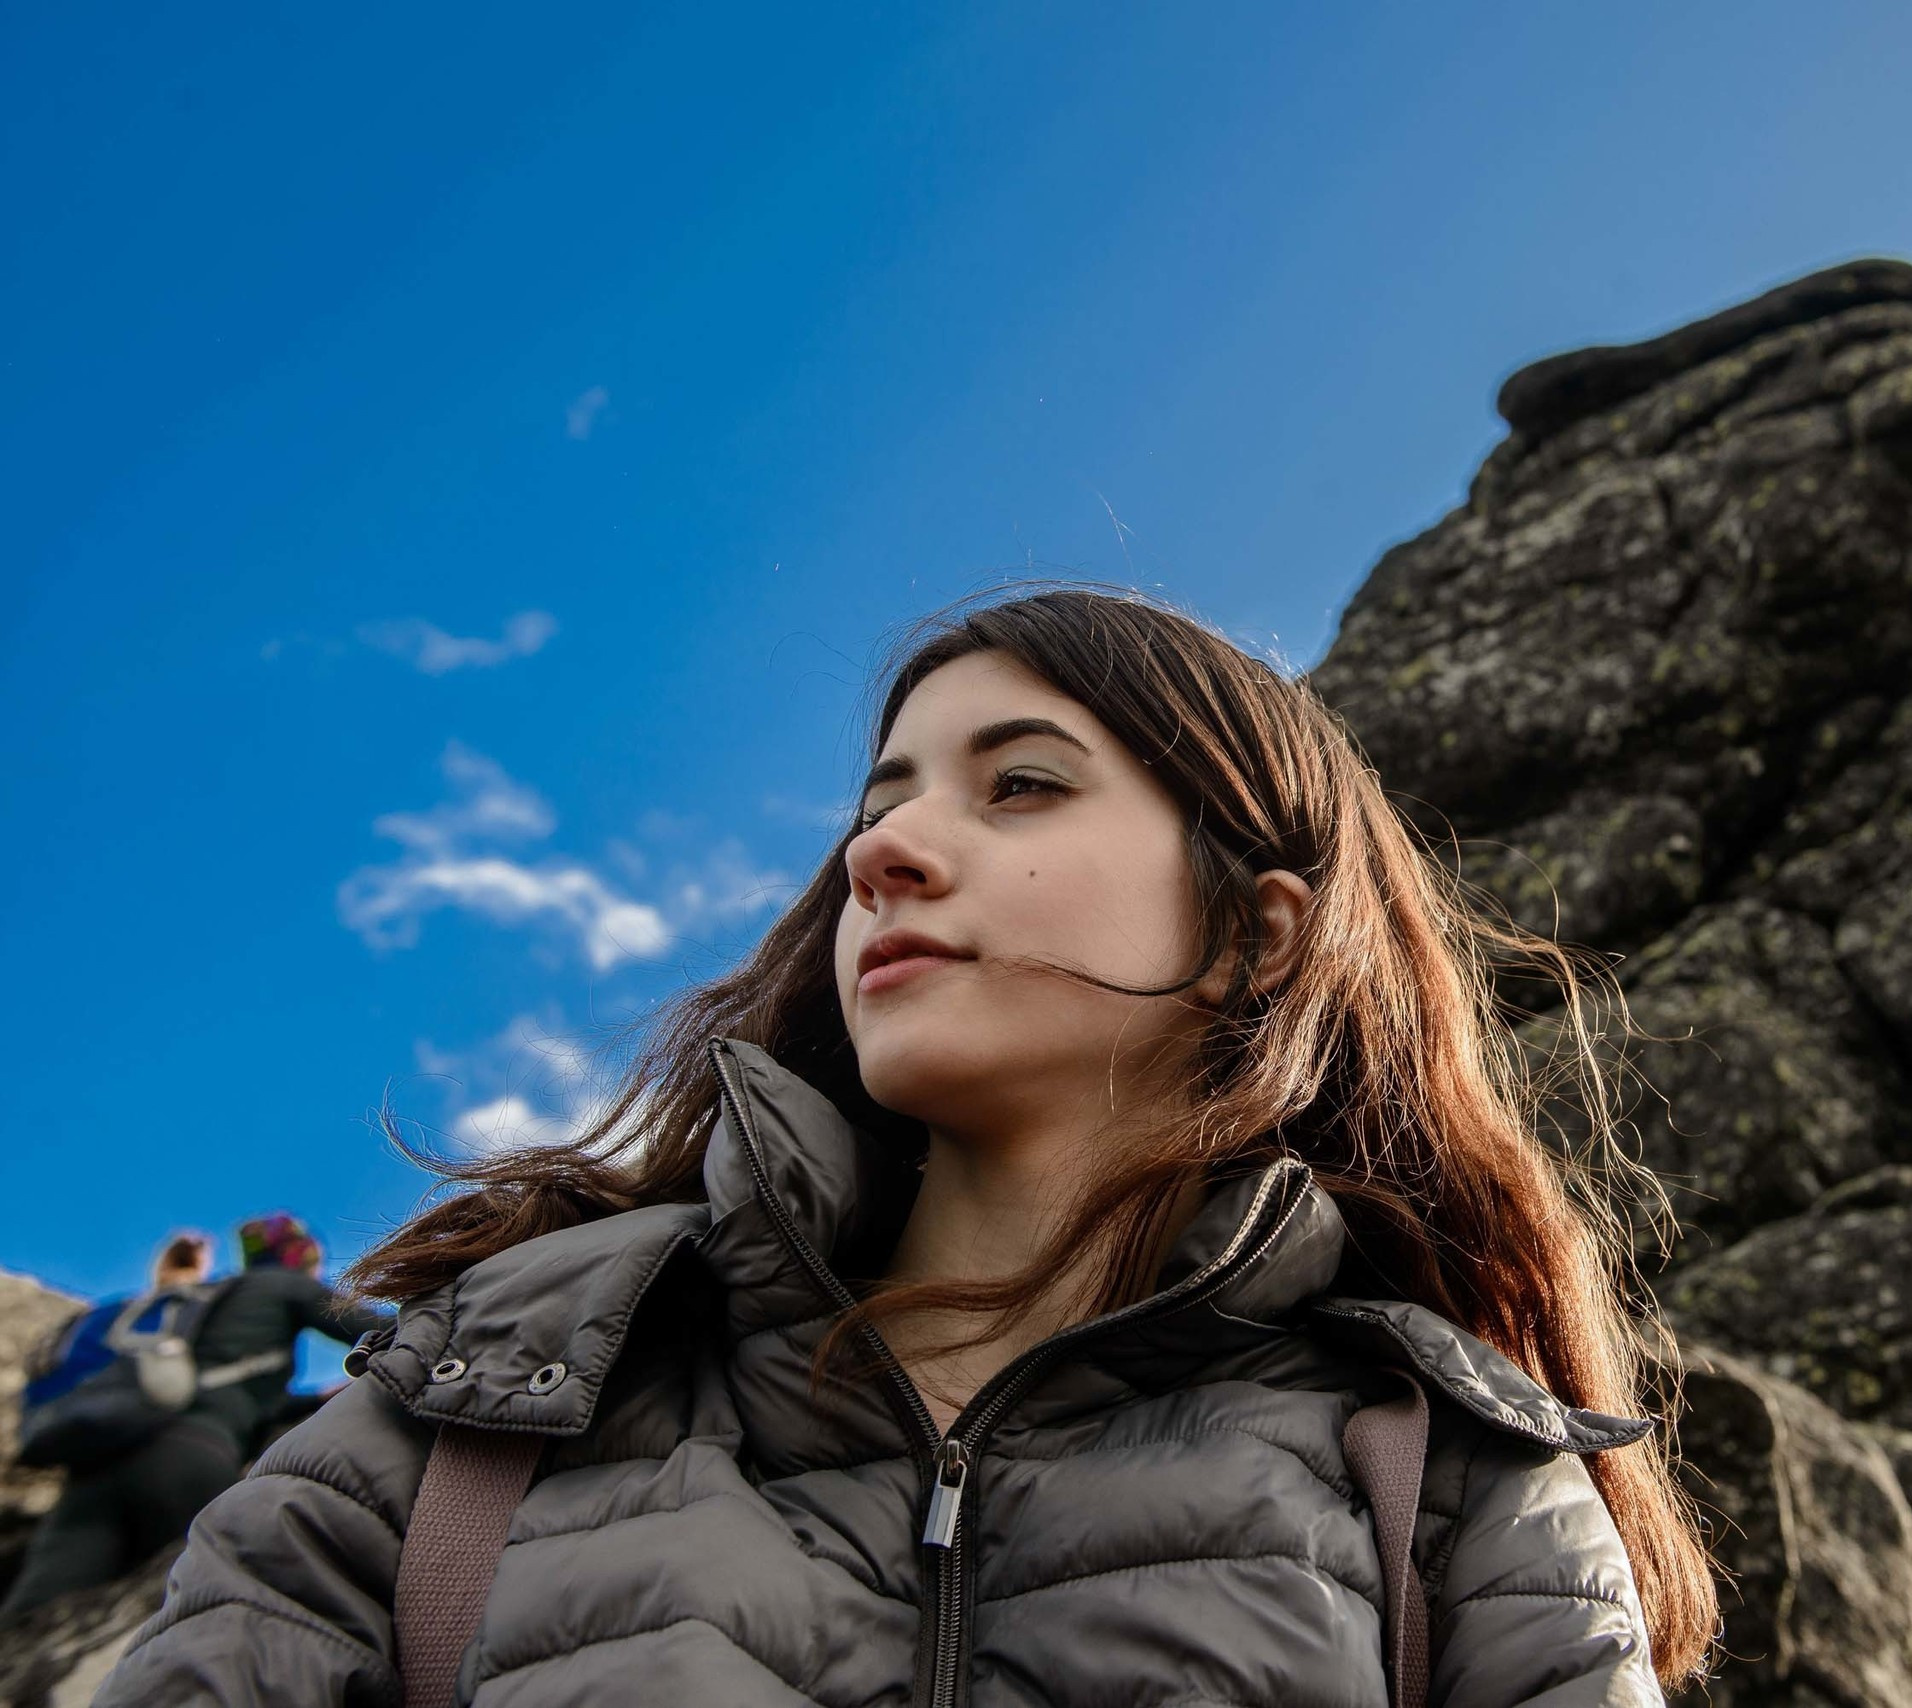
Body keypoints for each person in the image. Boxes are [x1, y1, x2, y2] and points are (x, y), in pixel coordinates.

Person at [100, 588, 1720, 1705]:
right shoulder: (488, 1400)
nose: (887, 847)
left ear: (1253, 931)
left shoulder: (1449, 1480)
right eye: (878, 802)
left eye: (1020, 785)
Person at [2, 1218, 389, 1619]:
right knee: (207, 1603)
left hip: (97, 1469)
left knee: (32, 1612)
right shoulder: (284, 1286)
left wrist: (312, 1399)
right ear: (299, 1257)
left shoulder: (199, 1299)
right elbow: (385, 1331)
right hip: (190, 1455)